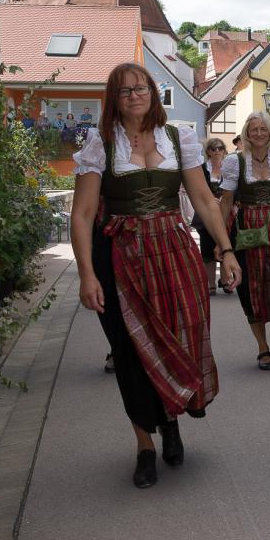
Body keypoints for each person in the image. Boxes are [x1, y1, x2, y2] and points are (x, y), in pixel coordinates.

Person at [71, 63, 241, 489]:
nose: (134, 96)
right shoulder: (101, 144)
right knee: (130, 351)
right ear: (114, 99)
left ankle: (171, 421)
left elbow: (203, 199)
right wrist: (87, 274)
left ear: (153, 93)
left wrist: (226, 249)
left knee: (182, 334)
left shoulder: (177, 138)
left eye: (141, 88)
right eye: (125, 91)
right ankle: (144, 443)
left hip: (172, 250)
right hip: (121, 258)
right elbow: (84, 213)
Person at [219, 113, 270, 370]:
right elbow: (226, 201)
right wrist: (220, 239)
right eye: (253, 129)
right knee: (252, 287)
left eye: (263, 129)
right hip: (246, 226)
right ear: (246, 132)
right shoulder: (235, 162)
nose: (258, 133)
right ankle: (262, 347)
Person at [195, 137, 228, 293]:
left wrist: (225, 199)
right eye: (213, 149)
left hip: (225, 212)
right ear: (208, 151)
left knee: (226, 244)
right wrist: (210, 199)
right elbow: (197, 188)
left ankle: (225, 279)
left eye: (220, 148)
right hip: (206, 213)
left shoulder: (229, 167)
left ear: (224, 150)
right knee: (207, 248)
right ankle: (210, 283)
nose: (217, 151)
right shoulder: (202, 168)